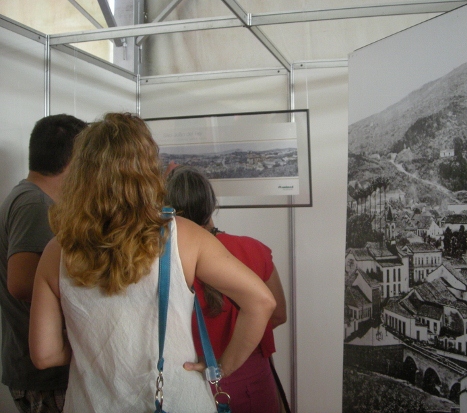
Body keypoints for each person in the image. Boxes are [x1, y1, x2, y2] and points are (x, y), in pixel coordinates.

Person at [28, 112, 276, 413]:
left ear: (80, 173)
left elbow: (44, 355)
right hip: (177, 401)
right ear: (147, 171)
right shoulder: (184, 236)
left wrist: (94, 347)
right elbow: (261, 302)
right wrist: (221, 368)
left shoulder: (57, 250)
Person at [165, 165, 287, 413]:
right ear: (211, 205)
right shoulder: (254, 249)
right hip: (252, 375)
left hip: (193, 378)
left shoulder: (166, 262)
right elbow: (277, 315)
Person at [0, 114, 87, 413]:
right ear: (74, 160)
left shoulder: (31, 199)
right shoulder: (35, 205)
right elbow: (21, 284)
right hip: (44, 375)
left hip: (40, 367)